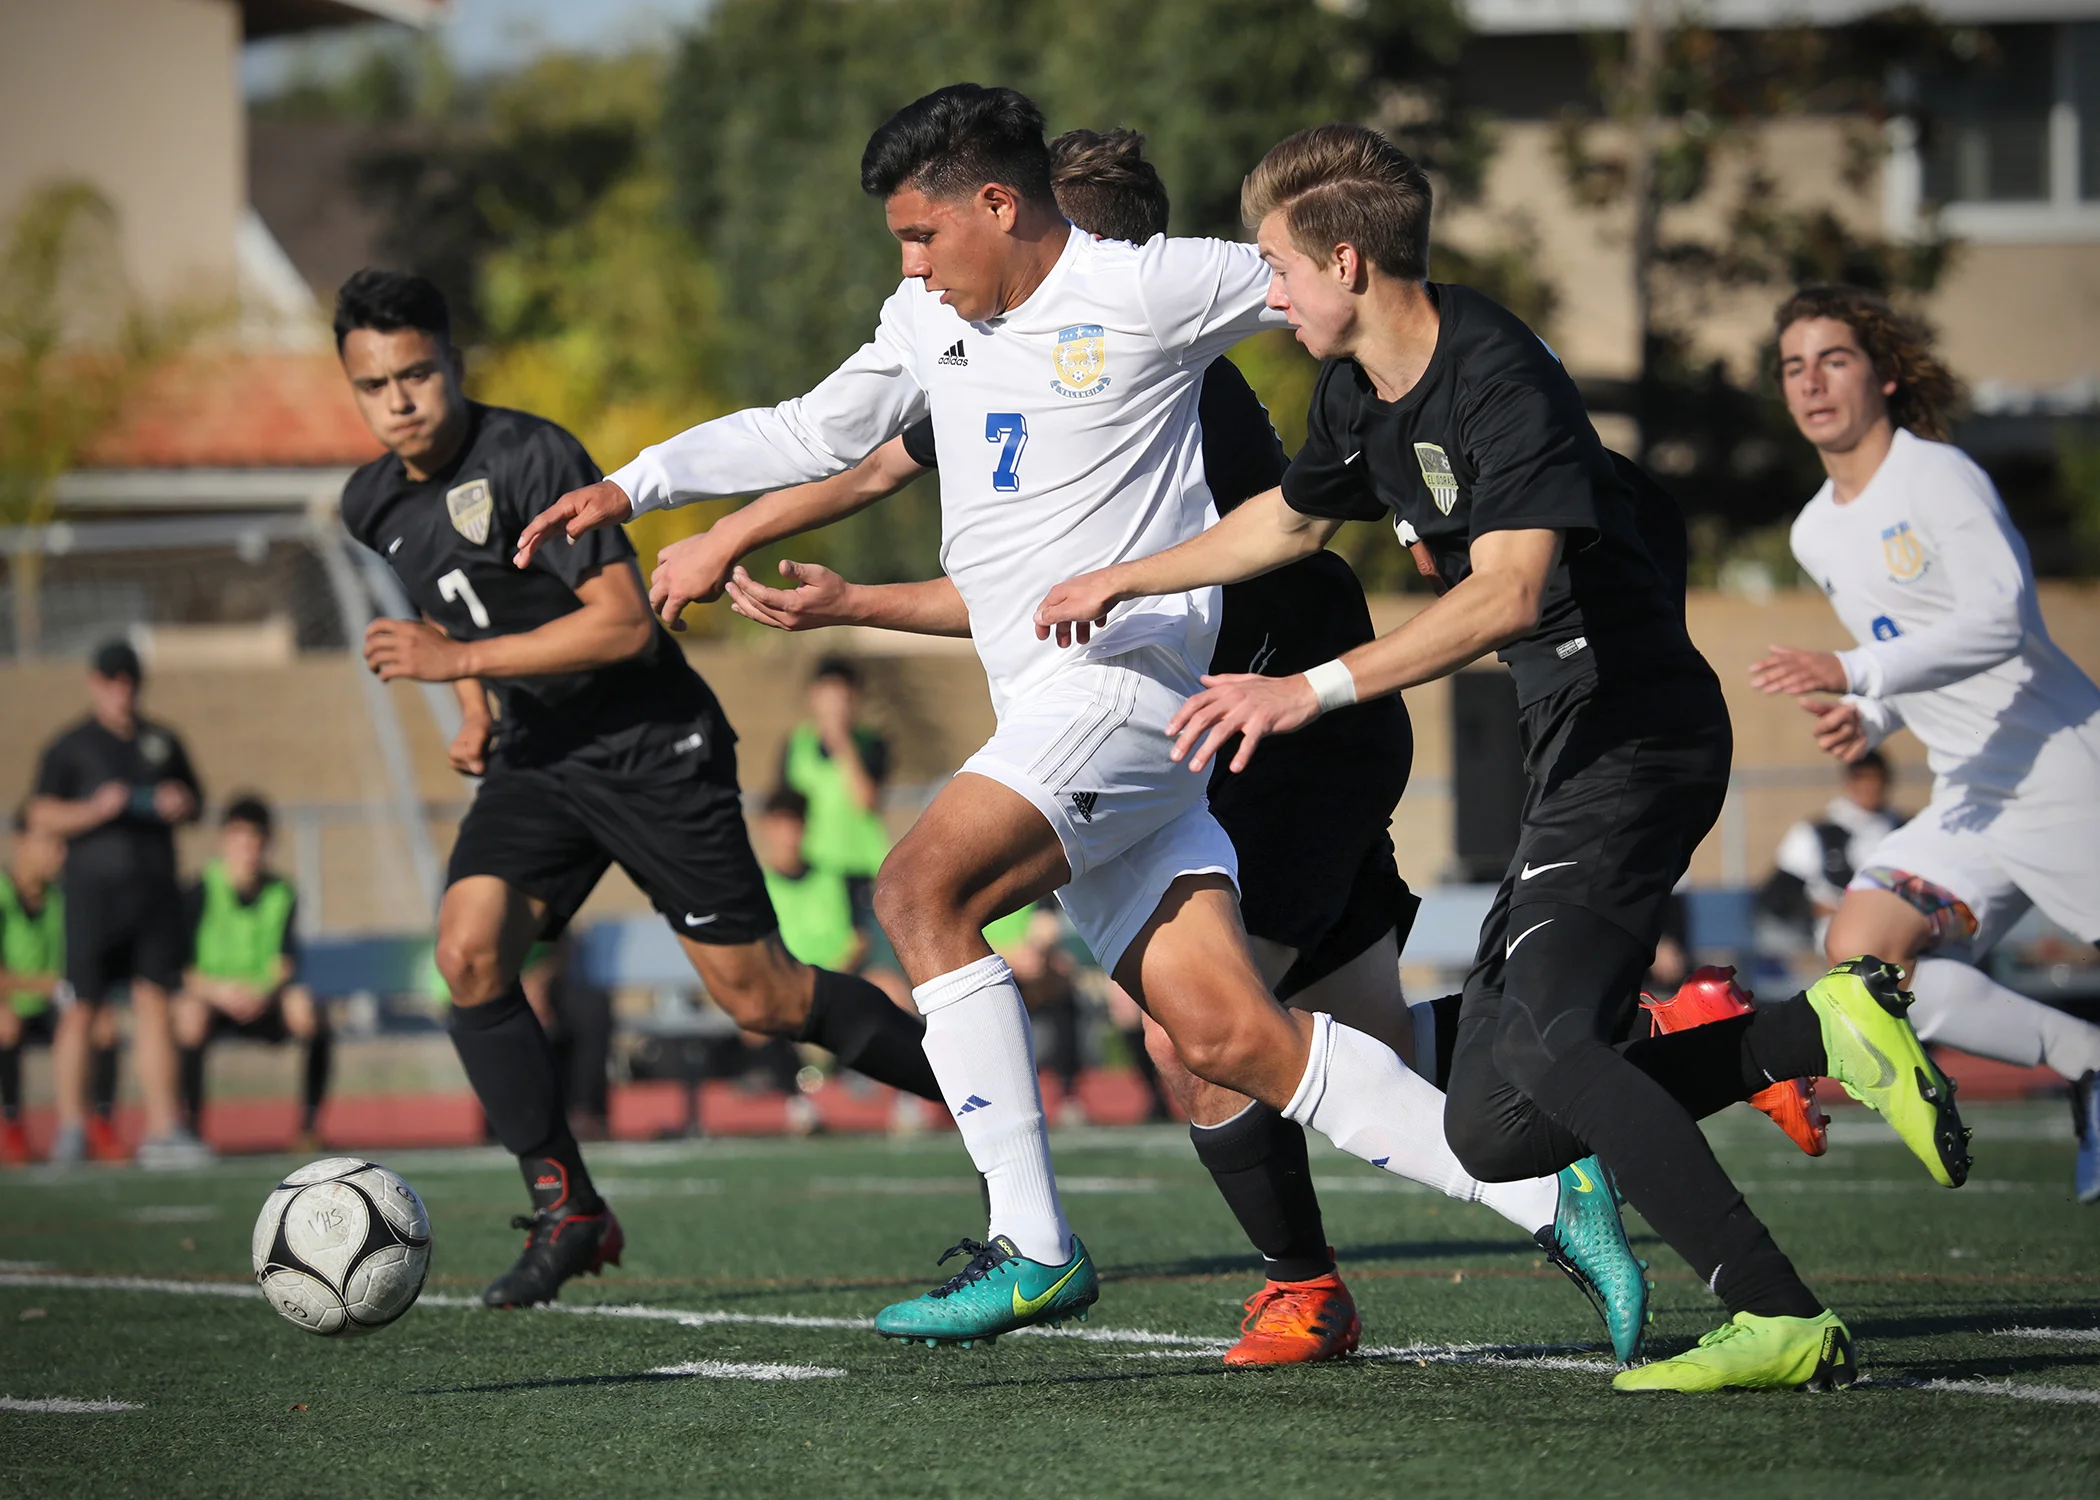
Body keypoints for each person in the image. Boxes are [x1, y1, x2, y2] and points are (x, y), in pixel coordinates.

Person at [518, 90, 1645, 1359]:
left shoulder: (1147, 288)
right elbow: (812, 429)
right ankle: (1550, 1194)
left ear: (998, 206)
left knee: (919, 890)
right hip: (1090, 730)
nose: (908, 266)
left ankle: (1034, 1248)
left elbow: (1348, 290)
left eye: (922, 235)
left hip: (1126, 694)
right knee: (1225, 1039)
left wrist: (1480, 470)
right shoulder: (924, 320)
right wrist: (634, 483)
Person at [1035, 123, 1973, 1393]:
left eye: (1278, 265)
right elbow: (1288, 520)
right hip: (1572, 750)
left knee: (1554, 1055)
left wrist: (1304, 691)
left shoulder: (1496, 372)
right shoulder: (1358, 391)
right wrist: (1119, 576)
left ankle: (1776, 1311)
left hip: (1636, 742)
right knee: (1496, 1122)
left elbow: (1510, 594)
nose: (1266, 291)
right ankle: (1812, 1034)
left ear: (1347, 260)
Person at [332, 268, 950, 1306]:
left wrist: (463, 674)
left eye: (416, 374)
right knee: (468, 953)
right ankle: (568, 1204)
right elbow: (458, 617)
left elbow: (624, 623)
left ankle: (986, 1094)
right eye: (372, 384)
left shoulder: (529, 455)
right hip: (538, 758)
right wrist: (480, 709)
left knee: (763, 998)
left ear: (452, 363)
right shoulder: (371, 501)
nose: (398, 400)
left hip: (646, 743)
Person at [1751, 282, 2100, 1204]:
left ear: (1888, 375)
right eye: (1795, 366)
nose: (1813, 382)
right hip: (1973, 794)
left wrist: (1855, 674)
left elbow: (2001, 621)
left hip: (2064, 773)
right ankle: (2089, 1065)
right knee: (1863, 956)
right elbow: (1913, 654)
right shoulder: (1815, 529)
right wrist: (1868, 715)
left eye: (1835, 359)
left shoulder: (1937, 476)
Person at [27, 639, 208, 1169]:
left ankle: (163, 1128)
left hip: (153, 894)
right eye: (111, 681)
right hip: (92, 896)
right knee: (81, 1007)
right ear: (94, 684)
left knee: (154, 1005)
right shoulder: (71, 746)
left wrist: (181, 802)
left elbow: (195, 799)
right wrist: (94, 809)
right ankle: (70, 1127)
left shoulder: (161, 740)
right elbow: (40, 814)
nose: (120, 690)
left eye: (128, 680)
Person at [171, 795, 331, 1153]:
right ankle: (191, 1129)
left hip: (264, 999)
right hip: (213, 999)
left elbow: (286, 961)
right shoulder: (197, 890)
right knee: (188, 1014)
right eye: (240, 838)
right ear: (223, 841)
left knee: (307, 1009)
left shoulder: (282, 892)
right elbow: (180, 968)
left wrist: (263, 991)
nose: (248, 848)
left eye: (256, 839)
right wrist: (220, 992)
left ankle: (308, 1127)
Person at [781, 658, 894, 938]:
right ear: (813, 696)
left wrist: (842, 744)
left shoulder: (872, 745)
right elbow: (784, 811)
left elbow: (865, 799)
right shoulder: (796, 745)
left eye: (842, 698)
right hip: (815, 873)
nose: (835, 707)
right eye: (828, 697)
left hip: (860, 871)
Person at [1758, 751, 1904, 964]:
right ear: (1848, 783)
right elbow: (1778, 895)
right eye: (1862, 779)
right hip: (1837, 941)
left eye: (1876, 780)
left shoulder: (1903, 831)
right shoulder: (1817, 832)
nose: (1870, 788)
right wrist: (1822, 908)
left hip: (1897, 935)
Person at [0, 808, 68, 1167]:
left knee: (99, 1026)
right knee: (5, 1023)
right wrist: (48, 984)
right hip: (11, 1004)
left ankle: (91, 1122)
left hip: (51, 1005)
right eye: (49, 842)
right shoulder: (3, 893)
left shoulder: (61, 896)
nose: (59, 852)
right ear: (21, 842)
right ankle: (11, 1124)